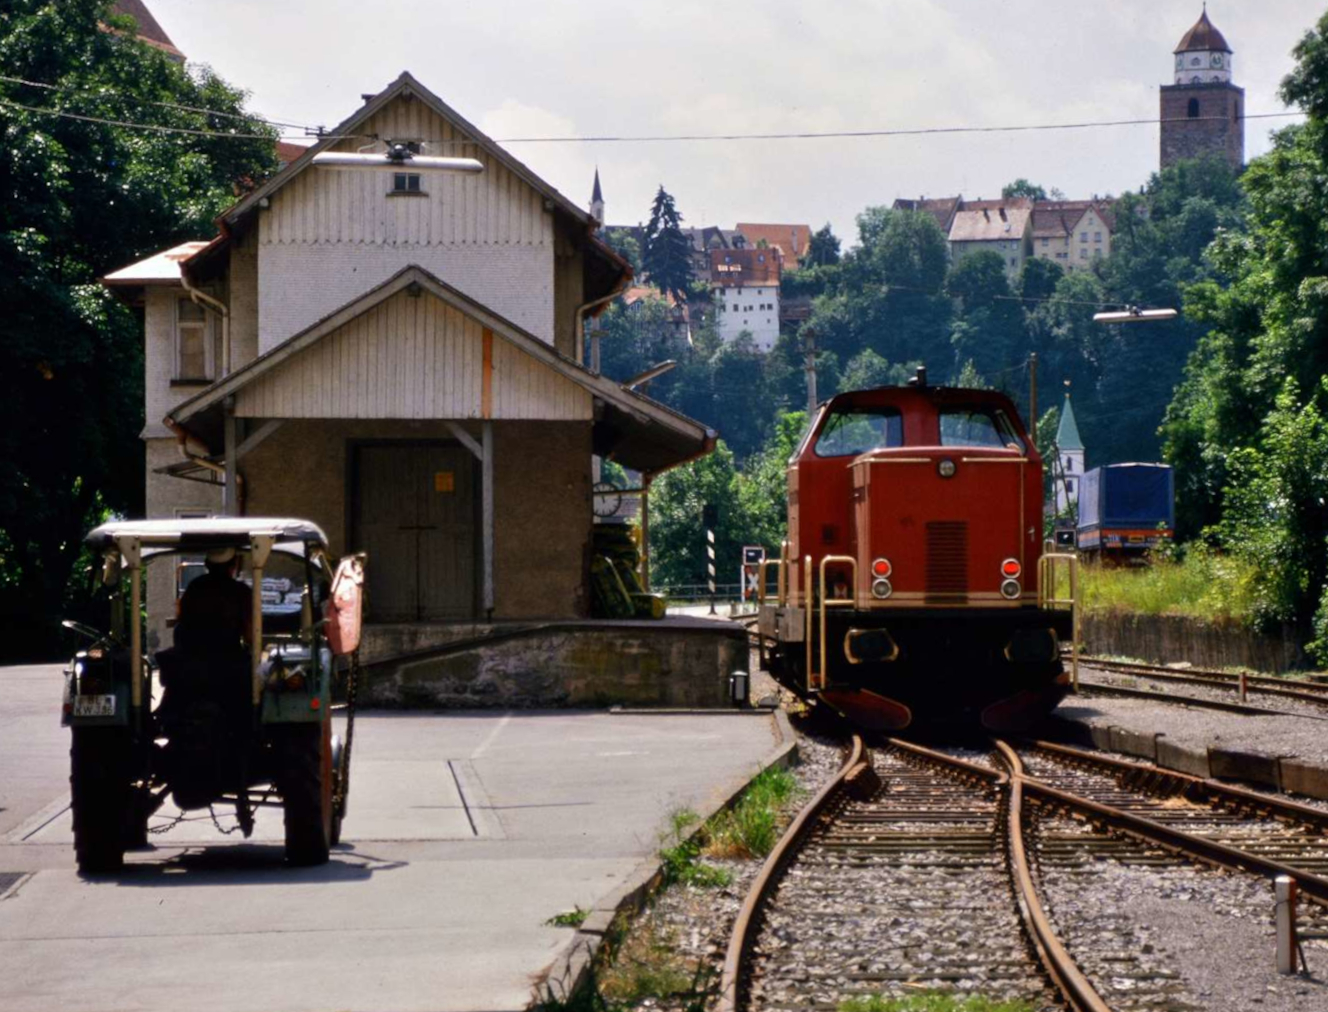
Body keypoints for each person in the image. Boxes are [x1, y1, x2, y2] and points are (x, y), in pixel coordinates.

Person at [175, 547, 252, 652]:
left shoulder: (195, 586)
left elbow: (181, 621)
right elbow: (250, 634)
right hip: (230, 660)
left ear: (207, 564)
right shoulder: (241, 591)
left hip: (193, 658)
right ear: (235, 564)